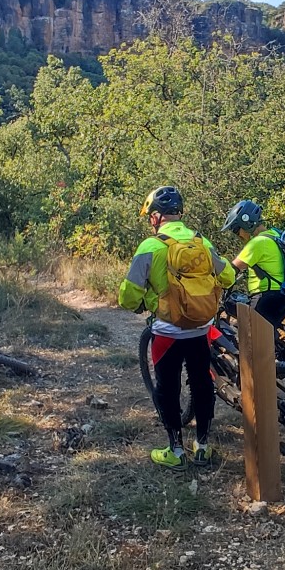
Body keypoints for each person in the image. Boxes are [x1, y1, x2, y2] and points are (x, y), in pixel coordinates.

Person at [119, 186, 236, 469]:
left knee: (167, 388)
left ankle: (175, 450)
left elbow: (128, 295)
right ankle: (203, 447)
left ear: (158, 216)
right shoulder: (202, 242)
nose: (150, 221)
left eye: (150, 216)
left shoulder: (150, 246)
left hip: (167, 332)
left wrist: (142, 302)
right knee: (202, 383)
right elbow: (229, 276)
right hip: (200, 328)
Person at [221, 199, 285, 328]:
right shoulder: (274, 235)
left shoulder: (257, 243)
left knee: (243, 332)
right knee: (264, 332)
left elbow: (231, 270)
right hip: (282, 295)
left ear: (246, 223)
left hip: (267, 297)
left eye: (236, 230)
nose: (237, 234)